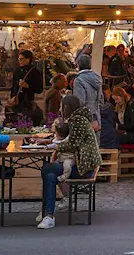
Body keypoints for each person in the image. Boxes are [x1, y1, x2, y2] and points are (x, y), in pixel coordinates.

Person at [35, 95, 101, 229]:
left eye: (61, 105)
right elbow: (69, 141)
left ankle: (48, 211)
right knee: (50, 175)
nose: (59, 108)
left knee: (47, 169)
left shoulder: (78, 120)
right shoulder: (79, 119)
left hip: (84, 166)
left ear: (66, 107)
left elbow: (72, 144)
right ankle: (48, 214)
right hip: (82, 164)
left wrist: (53, 146)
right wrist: (51, 144)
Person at [71, 54, 102, 132]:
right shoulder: (97, 79)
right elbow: (101, 99)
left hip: (84, 118)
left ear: (78, 65)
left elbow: (80, 101)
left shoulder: (79, 80)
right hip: (96, 115)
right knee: (95, 142)